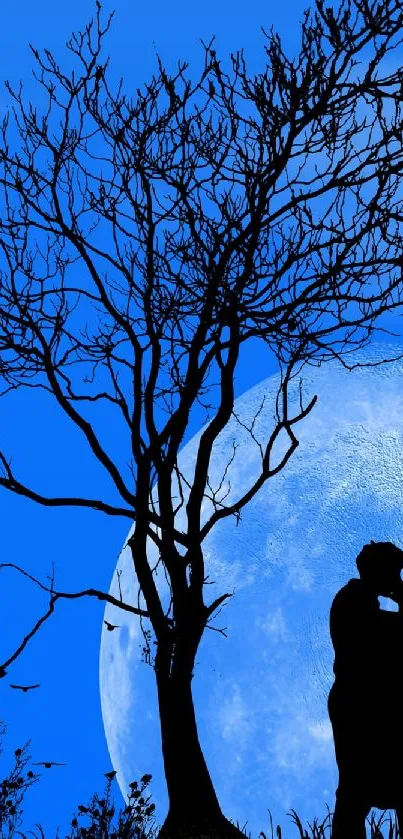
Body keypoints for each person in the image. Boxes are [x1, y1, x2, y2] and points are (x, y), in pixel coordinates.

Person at [328, 540, 403, 838]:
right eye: (395, 572)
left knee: (358, 790)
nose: (398, 580)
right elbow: (383, 636)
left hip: (367, 703)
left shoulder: (359, 598)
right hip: (358, 704)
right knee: (355, 790)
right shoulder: (353, 597)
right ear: (376, 569)